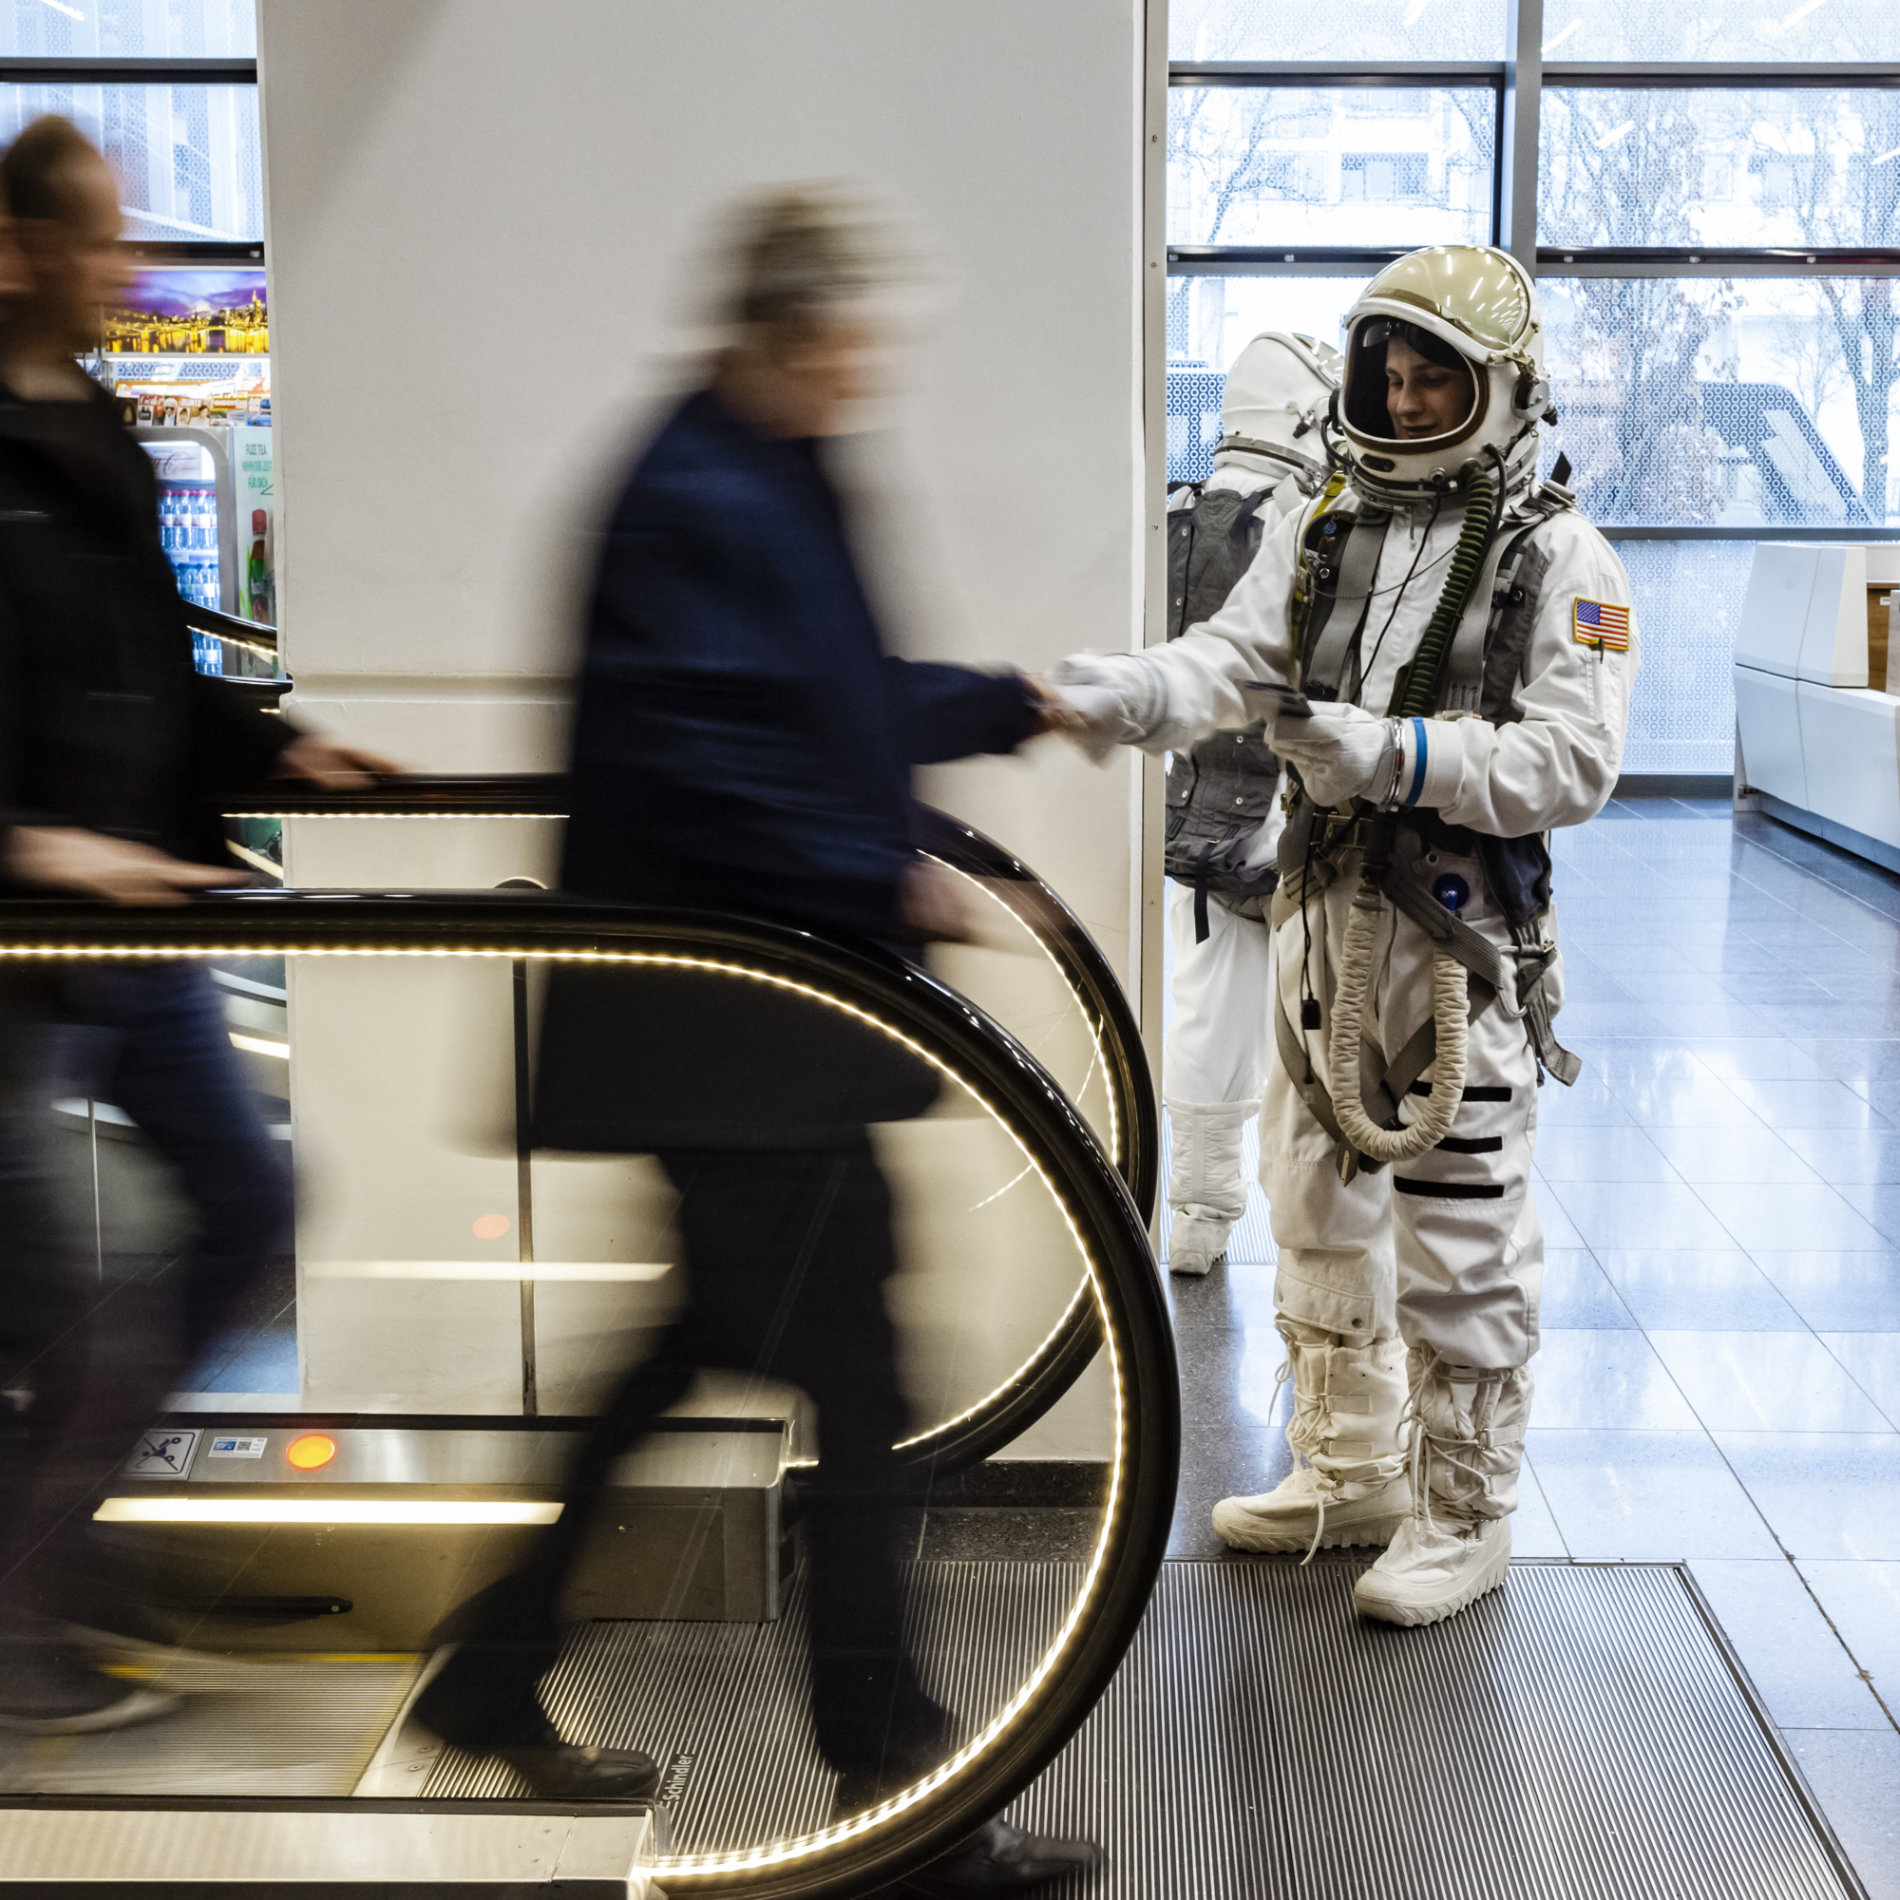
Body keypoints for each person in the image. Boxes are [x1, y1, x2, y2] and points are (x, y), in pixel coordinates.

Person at [412, 184, 1099, 1894]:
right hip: (736, 1037)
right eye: (853, 340)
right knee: (868, 1394)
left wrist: (1010, 703)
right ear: (789, 333)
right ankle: (901, 1798)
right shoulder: (694, 492)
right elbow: (696, 766)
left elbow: (832, 705)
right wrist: (873, 868)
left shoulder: (764, 469)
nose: (870, 370)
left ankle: (490, 1674)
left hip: (747, 1037)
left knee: (688, 1357)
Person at [1053, 246, 1634, 1627]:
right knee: (1311, 1196)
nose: (1413, 395)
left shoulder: (1563, 558)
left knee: (1463, 1237)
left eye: (1440, 374)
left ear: (1500, 385)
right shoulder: (1326, 533)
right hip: (1321, 915)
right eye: (1392, 369)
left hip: (1460, 946)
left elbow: (1574, 763)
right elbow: (1237, 662)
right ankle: (1350, 1464)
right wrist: (1138, 688)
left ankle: (1463, 1512)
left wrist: (1390, 751)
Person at [0, 116, 395, 1732]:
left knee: (249, 1204)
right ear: (18, 249)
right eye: (95, 236)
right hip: (25, 945)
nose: (126, 264)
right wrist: (39, 845)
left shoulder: (91, 424)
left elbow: (155, 676)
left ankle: (55, 1551)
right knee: (62, 1312)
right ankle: (27, 1614)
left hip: (139, 920)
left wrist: (277, 748)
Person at [1160, 332, 1338, 1276]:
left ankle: (1197, 1216)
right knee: (1316, 1038)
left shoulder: (1178, 515)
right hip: (1290, 832)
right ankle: (1310, 1239)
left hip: (1191, 832)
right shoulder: (1313, 524)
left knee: (1205, 1028)